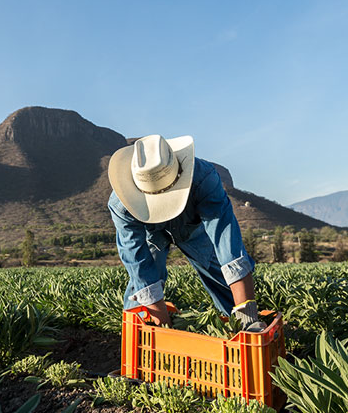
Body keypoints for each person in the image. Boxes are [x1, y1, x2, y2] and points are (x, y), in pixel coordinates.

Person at [107, 134, 265, 332]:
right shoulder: (122, 206)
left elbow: (227, 244)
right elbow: (137, 261)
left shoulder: (204, 179)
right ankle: (138, 338)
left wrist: (247, 313)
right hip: (151, 233)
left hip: (192, 228)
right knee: (141, 286)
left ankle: (240, 328)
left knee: (220, 273)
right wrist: (163, 327)